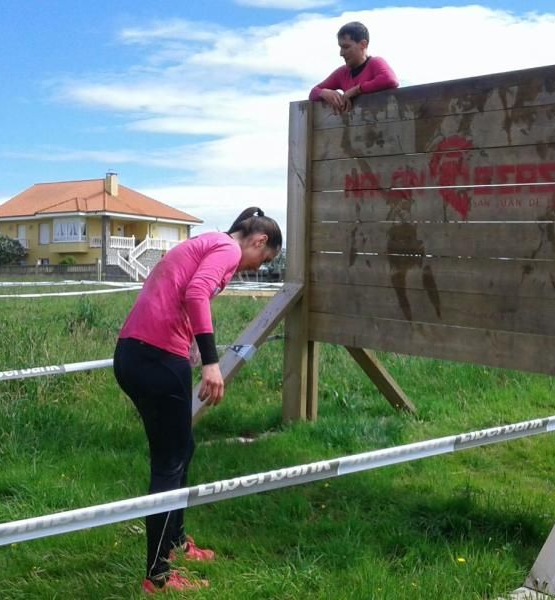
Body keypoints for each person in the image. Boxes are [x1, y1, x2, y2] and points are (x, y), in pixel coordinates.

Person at [113, 207, 282, 593]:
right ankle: (157, 575)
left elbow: (173, 292)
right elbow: (195, 292)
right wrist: (211, 362)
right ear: (258, 241)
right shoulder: (226, 248)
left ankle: (175, 543)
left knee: (180, 449)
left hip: (133, 353)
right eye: (265, 258)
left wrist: (188, 338)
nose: (256, 267)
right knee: (169, 464)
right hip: (156, 357)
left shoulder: (205, 242)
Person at [309, 21, 399, 114]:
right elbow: (313, 93)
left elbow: (390, 80)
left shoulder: (375, 62)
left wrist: (356, 90)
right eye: (340, 47)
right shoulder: (342, 73)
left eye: (346, 47)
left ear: (363, 45)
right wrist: (324, 92)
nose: (341, 53)